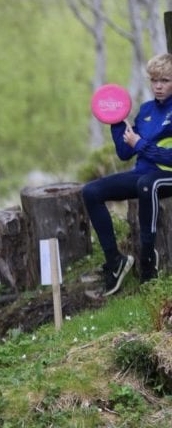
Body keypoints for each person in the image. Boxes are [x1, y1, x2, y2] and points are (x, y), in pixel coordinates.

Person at [82, 52, 172, 296]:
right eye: (154, 81)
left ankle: (148, 262)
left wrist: (140, 143)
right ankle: (115, 262)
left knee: (146, 185)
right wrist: (116, 120)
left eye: (165, 80)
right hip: (143, 173)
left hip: (166, 176)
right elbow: (124, 153)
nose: (158, 86)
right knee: (91, 191)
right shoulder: (146, 110)